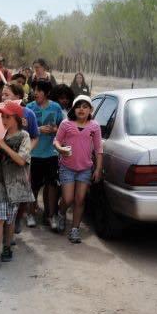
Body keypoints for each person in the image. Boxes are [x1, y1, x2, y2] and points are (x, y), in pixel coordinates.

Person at [0, 101, 34, 270]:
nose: (4, 120)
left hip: (15, 186)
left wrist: (3, 146)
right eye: (2, 116)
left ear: (16, 118)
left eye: (7, 117)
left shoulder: (24, 137)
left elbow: (21, 160)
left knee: (10, 219)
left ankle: (7, 246)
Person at [54, 95, 103, 243]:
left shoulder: (94, 126)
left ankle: (75, 230)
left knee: (80, 199)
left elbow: (98, 148)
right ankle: (61, 213)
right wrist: (61, 149)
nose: (81, 109)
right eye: (78, 106)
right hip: (67, 167)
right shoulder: (66, 124)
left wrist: (98, 169)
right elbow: (56, 140)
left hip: (85, 169)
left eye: (85, 106)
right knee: (68, 199)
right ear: (73, 109)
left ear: (90, 110)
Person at [26, 80, 64, 230]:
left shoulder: (56, 107)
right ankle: (30, 213)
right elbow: (22, 130)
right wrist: (38, 129)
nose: (36, 92)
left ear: (47, 92)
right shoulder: (29, 108)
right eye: (34, 89)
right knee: (33, 186)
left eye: (40, 90)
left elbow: (62, 127)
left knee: (52, 185)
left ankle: (51, 216)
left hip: (51, 153)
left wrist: (55, 130)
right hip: (34, 153)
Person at [1, 82, 39, 231]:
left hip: (21, 161)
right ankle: (3, 223)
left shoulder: (29, 114)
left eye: (7, 94)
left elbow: (35, 136)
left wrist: (26, 150)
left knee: (21, 192)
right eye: (2, 94)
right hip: (3, 160)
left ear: (18, 97)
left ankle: (17, 219)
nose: (3, 97)